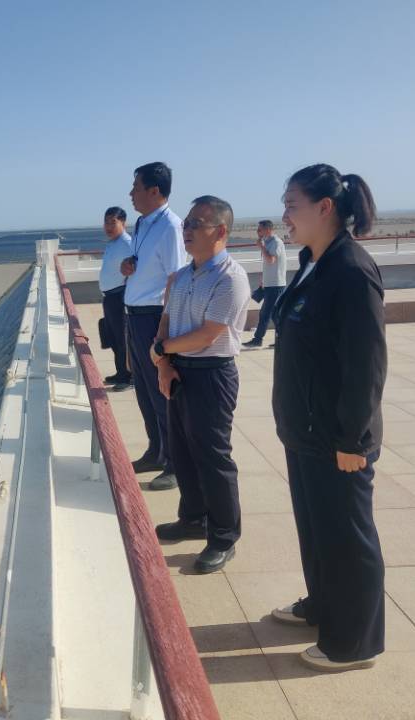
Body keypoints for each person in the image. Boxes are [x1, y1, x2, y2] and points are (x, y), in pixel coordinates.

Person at [270, 163, 386, 672]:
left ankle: (354, 644)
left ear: (324, 208)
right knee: (318, 530)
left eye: (291, 205)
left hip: (339, 437)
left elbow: (366, 365)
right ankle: (322, 606)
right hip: (306, 430)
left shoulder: (351, 270)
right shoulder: (312, 263)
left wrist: (352, 440)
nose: (285, 216)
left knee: (347, 537)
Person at [150, 196, 250, 573]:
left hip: (212, 374)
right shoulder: (181, 276)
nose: (186, 229)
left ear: (220, 231)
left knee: (212, 456)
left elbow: (208, 335)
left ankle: (224, 537)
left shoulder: (230, 278)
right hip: (179, 370)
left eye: (196, 224)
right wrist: (164, 363)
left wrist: (161, 350)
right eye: (186, 223)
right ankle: (193, 518)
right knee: (182, 451)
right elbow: (167, 320)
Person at [120, 162, 187, 490]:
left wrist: (165, 329)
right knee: (144, 391)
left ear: (154, 191)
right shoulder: (143, 224)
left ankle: (175, 464)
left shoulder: (171, 226)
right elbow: (144, 264)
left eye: (136, 187)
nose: (131, 194)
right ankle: (156, 451)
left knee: (162, 394)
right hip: (134, 314)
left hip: (153, 317)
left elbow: (176, 277)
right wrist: (127, 265)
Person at [99, 207, 133, 390]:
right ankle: (120, 372)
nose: (108, 226)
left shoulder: (127, 243)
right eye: (106, 222)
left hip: (121, 296)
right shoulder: (113, 244)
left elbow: (136, 269)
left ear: (123, 223)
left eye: (113, 222)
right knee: (113, 337)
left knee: (123, 338)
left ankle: (128, 377)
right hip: (110, 297)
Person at [242, 220, 286, 348]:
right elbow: (267, 264)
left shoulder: (276, 242)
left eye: (259, 230)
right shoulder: (267, 242)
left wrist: (261, 247)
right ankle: (281, 339)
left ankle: (259, 340)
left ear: (268, 229)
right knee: (273, 313)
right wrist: (263, 279)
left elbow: (271, 260)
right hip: (269, 284)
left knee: (267, 313)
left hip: (276, 284)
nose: (257, 232)